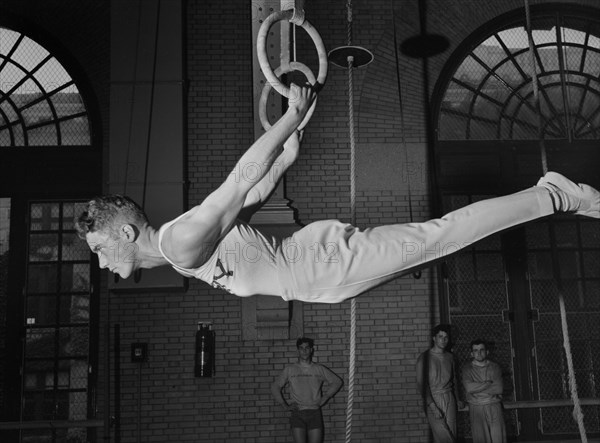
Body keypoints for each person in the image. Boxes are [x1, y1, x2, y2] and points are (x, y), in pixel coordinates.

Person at [76, 84, 600, 303]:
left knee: (441, 237)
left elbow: (239, 180)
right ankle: (547, 197)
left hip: (321, 263)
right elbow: (251, 197)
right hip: (319, 280)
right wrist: (286, 155)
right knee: (438, 242)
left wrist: (287, 119)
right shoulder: (179, 247)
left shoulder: (181, 242)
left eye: (98, 249)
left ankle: (550, 195)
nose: (100, 263)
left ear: (124, 231)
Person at [271, 337, 343, 443]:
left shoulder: (319, 368)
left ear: (311, 350)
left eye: (307, 348)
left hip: (314, 412)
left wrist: (326, 397)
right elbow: (275, 386)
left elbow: (337, 382)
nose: (304, 351)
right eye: (301, 348)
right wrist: (284, 405)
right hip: (297, 413)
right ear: (297, 350)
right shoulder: (290, 369)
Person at [416, 324, 464, 443]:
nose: (443, 340)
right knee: (443, 436)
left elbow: (455, 381)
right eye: (440, 336)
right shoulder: (424, 358)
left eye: (446, 337)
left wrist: (458, 399)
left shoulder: (450, 357)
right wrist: (432, 406)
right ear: (434, 338)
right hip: (433, 399)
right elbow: (422, 385)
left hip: (449, 398)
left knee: (452, 433)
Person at [461, 339, 506, 443]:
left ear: (487, 352)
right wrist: (487, 383)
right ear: (472, 353)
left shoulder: (494, 367)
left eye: (482, 350)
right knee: (480, 439)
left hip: (494, 405)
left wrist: (477, 389)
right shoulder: (467, 369)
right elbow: (469, 388)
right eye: (476, 350)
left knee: (498, 438)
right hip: (476, 408)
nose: (479, 353)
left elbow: (499, 388)